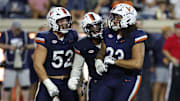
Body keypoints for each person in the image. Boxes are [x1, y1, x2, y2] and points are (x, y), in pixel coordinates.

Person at [95, 3, 147, 101]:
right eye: (113, 17)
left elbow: (137, 64)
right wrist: (98, 61)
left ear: (128, 18)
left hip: (127, 78)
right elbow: (102, 51)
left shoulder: (135, 35)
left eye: (118, 17)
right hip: (109, 76)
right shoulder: (108, 33)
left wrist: (115, 61)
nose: (114, 20)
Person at [33, 7, 79, 101]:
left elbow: (77, 58)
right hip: (50, 80)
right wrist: (48, 84)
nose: (65, 23)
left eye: (66, 20)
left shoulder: (72, 35)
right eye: (61, 21)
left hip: (67, 81)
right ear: (52, 22)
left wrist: (74, 76)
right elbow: (37, 64)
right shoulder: (45, 37)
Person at [68, 12, 105, 101]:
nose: (96, 29)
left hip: (115, 79)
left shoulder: (110, 38)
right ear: (86, 28)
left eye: (97, 25)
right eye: (92, 26)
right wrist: (74, 78)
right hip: (96, 81)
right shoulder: (82, 45)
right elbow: (77, 67)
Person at [0, 20, 34, 101]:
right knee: (7, 87)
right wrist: (8, 47)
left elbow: (32, 45)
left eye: (18, 29)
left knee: (25, 86)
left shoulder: (25, 34)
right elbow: (0, 44)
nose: (17, 31)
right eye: (15, 29)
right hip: (10, 64)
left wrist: (24, 47)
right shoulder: (6, 34)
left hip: (23, 64)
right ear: (12, 28)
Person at [152, 26, 172, 101]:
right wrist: (155, 63)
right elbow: (155, 52)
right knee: (158, 82)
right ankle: (154, 99)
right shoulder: (159, 41)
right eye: (168, 32)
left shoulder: (170, 41)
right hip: (160, 64)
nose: (169, 33)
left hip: (168, 65)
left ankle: (161, 99)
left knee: (165, 84)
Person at [163, 22, 180, 101]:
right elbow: (165, 50)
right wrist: (172, 58)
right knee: (172, 83)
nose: (178, 30)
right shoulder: (171, 38)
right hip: (175, 64)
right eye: (177, 28)